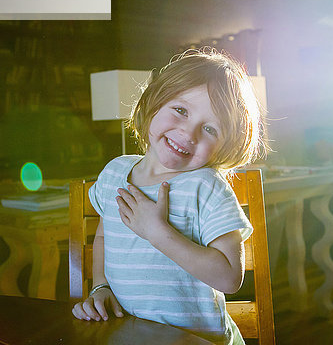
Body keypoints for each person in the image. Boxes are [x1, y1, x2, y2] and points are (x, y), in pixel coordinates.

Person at [72, 48, 266, 345]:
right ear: (153, 102)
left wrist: (158, 234)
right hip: (128, 334)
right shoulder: (113, 174)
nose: (189, 134)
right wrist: (101, 287)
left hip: (196, 339)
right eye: (181, 110)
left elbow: (229, 278)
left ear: (224, 146)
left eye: (210, 128)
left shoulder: (207, 187)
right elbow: (103, 238)